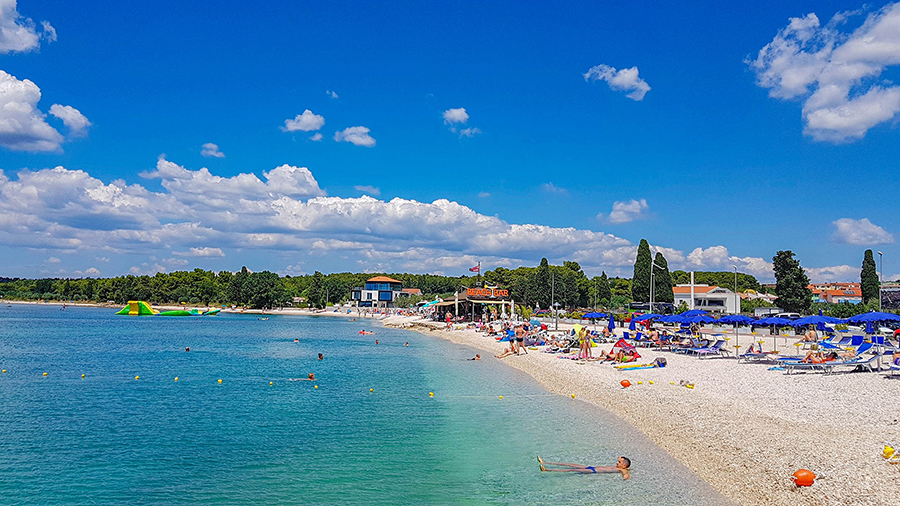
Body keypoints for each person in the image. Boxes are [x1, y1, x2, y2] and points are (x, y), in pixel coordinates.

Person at [538, 456, 630, 480]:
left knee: (572, 469)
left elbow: (625, 473)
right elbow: (623, 462)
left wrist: (626, 476)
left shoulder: (622, 469)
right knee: (570, 464)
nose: (617, 462)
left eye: (619, 462)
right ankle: (545, 462)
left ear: (624, 466)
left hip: (592, 471)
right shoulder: (618, 466)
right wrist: (621, 458)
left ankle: (547, 470)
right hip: (591, 467)